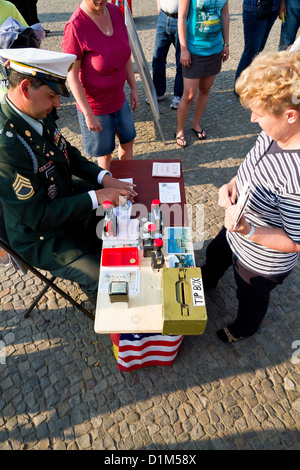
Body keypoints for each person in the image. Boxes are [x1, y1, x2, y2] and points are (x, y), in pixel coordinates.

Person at [0, 48, 137, 300]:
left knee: (124, 217)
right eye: (52, 95)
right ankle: (119, 328)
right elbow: (37, 216)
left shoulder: (35, 111)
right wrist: (99, 197)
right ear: (26, 87)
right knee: (104, 280)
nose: (57, 104)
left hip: (63, 202)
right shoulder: (6, 147)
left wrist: (104, 177)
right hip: (42, 238)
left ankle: (103, 247)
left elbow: (67, 152)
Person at [201, 49, 300, 343]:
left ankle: (244, 328)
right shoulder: (273, 133)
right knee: (216, 254)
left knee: (250, 295)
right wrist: (232, 183)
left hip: (261, 261)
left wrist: (248, 229)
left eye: (259, 112)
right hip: (236, 232)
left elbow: (295, 241)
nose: (253, 119)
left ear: (290, 115)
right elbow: (252, 165)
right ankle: (207, 281)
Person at [61, 0, 139, 171]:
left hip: (119, 98)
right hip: (95, 106)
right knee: (104, 153)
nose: (101, 0)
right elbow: (72, 76)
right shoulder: (75, 26)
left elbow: (125, 54)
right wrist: (88, 114)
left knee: (128, 140)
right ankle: (108, 192)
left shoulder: (116, 12)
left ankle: (127, 180)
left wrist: (133, 87)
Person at [175, 0, 229, 148]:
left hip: (215, 48)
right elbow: (182, 17)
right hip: (194, 49)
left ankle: (196, 123)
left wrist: (226, 44)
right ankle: (179, 130)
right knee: (189, 95)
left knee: (205, 89)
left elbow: (225, 14)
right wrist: (184, 48)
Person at [234, 0, 286, 96]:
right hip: (255, 8)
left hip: (272, 8)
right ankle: (240, 88)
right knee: (251, 50)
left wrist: (282, 2)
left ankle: (248, 83)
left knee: (258, 48)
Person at [147, 0, 183, 110]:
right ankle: (158, 91)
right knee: (158, 57)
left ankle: (179, 95)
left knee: (181, 61)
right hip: (163, 17)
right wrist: (159, 6)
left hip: (180, 19)